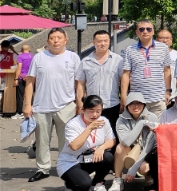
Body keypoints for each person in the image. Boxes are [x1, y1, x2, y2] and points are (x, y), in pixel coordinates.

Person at [23, 28, 81, 182]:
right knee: (42, 141)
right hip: (41, 106)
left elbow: (79, 82)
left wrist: (79, 102)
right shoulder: (39, 58)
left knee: (67, 140)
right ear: (47, 40)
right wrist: (27, 104)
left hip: (66, 105)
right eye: (52, 38)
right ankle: (43, 169)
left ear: (66, 40)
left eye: (59, 37)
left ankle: (65, 167)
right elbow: (30, 82)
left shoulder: (73, 57)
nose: (56, 40)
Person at [57, 95, 116, 191]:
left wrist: (101, 148)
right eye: (91, 111)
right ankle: (70, 185)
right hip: (71, 161)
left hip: (89, 158)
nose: (95, 115)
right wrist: (89, 128)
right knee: (83, 184)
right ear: (83, 110)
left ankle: (97, 183)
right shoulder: (73, 124)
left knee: (108, 157)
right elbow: (74, 146)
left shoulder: (103, 121)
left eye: (98, 111)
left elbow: (112, 140)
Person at [109, 92, 158, 191]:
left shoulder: (152, 117)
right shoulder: (121, 120)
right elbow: (126, 142)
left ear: (143, 104)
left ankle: (149, 177)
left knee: (145, 168)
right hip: (130, 152)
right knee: (120, 148)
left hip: (146, 153)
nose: (135, 106)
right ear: (127, 105)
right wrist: (141, 123)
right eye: (132, 103)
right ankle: (118, 180)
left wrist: (133, 168)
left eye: (139, 103)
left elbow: (149, 145)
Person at [76, 30, 124, 134]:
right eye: (99, 41)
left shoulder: (118, 60)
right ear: (93, 42)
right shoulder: (85, 61)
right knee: (92, 134)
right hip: (91, 107)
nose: (103, 43)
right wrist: (80, 103)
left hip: (111, 105)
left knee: (112, 135)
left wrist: (124, 98)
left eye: (105, 41)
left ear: (109, 41)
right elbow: (80, 84)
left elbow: (124, 80)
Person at [121, 20, 172, 117]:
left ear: (153, 31)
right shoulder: (130, 49)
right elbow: (126, 74)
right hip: (137, 100)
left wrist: (168, 91)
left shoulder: (163, 48)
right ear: (137, 32)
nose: (145, 31)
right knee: (139, 126)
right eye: (141, 29)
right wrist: (124, 96)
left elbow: (167, 71)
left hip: (158, 98)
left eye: (148, 29)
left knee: (158, 125)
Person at [156, 28, 177, 93]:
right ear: (157, 39)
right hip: (156, 92)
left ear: (171, 40)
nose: (165, 40)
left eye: (167, 38)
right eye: (162, 38)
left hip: (174, 91)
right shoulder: (152, 55)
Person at [14, 44, 33, 118]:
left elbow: (19, 67)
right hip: (30, 77)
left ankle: (19, 112)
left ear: (22, 50)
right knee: (30, 95)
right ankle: (31, 111)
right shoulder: (33, 56)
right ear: (29, 49)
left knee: (20, 95)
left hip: (22, 77)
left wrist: (16, 78)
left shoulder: (20, 56)